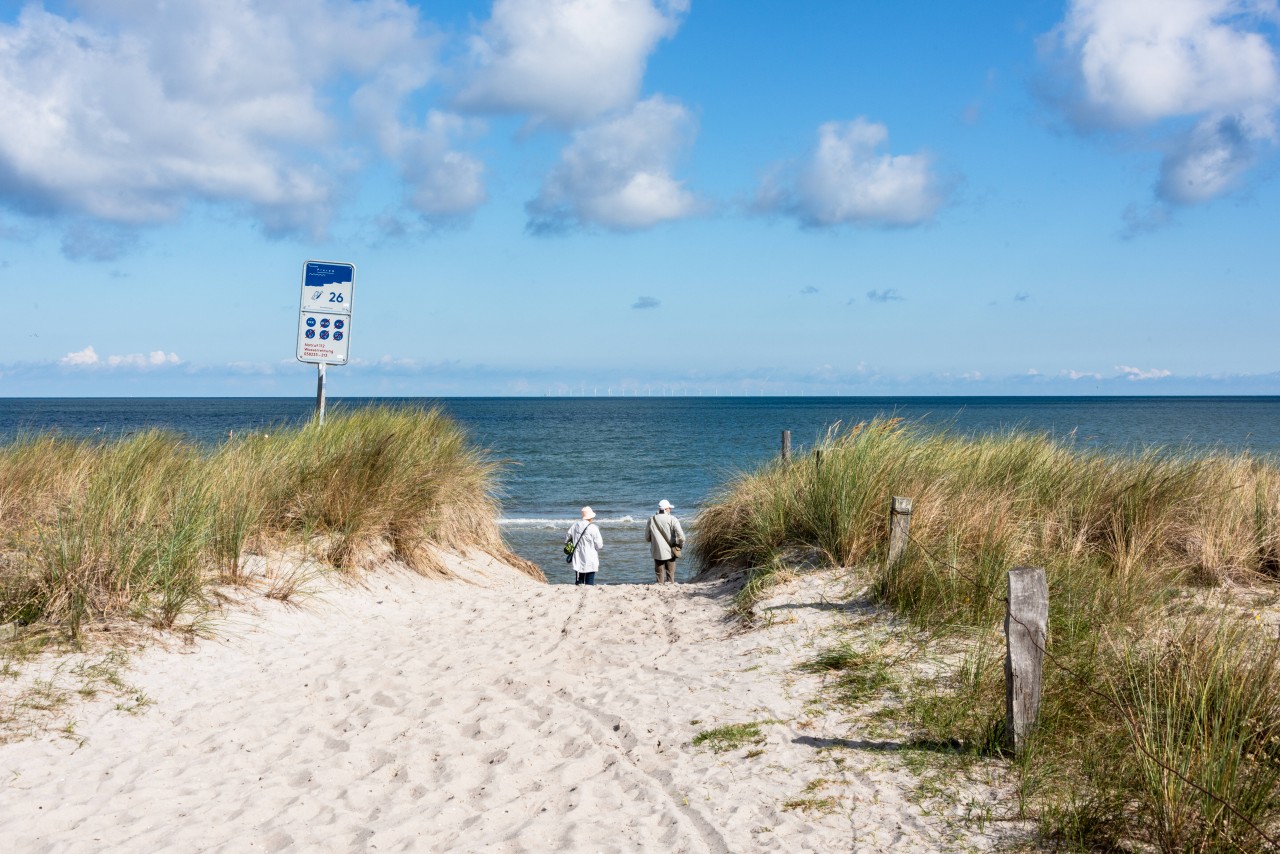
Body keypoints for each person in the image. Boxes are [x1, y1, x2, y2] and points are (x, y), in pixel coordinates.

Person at [645, 499, 685, 584]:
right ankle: (670, 586)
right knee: (670, 575)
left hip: (657, 551)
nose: (671, 510)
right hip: (670, 551)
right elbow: (681, 537)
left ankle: (660, 585)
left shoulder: (651, 519)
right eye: (669, 508)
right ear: (666, 509)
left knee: (659, 576)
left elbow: (647, 538)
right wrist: (680, 545)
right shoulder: (672, 519)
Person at [565, 506, 604, 586]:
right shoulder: (593, 528)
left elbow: (566, 540)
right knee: (589, 584)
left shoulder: (575, 525)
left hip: (578, 559)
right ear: (591, 517)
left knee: (579, 584)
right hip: (591, 559)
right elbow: (599, 545)